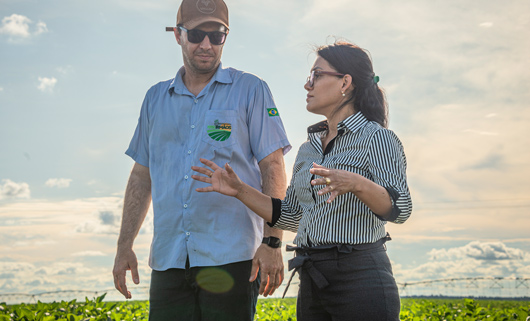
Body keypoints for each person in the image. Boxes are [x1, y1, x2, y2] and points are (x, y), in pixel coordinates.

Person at [192, 41, 412, 321]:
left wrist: (357, 183)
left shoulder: (377, 138)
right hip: (313, 280)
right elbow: (292, 217)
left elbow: (401, 208)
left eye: (316, 76)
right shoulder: (308, 150)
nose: (308, 85)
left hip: (361, 279)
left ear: (346, 82)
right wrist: (239, 191)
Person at [112, 0, 291, 320]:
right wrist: (124, 245)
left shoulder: (250, 89)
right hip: (169, 262)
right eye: (196, 34)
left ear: (226, 37)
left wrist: (273, 241)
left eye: (217, 35)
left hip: (232, 260)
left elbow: (273, 167)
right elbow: (142, 176)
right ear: (178, 36)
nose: (206, 44)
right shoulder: (155, 98)